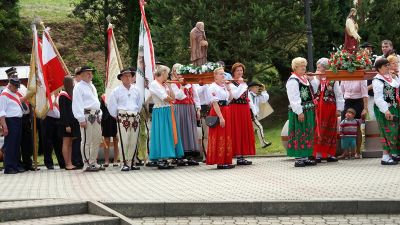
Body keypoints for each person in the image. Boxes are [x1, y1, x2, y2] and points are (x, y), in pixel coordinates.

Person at [148, 65, 184, 169]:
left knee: (170, 133)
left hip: (167, 110)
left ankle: (169, 157)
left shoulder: (164, 85)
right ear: (162, 73)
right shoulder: (154, 84)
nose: (167, 76)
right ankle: (161, 158)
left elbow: (173, 97)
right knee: (162, 133)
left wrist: (169, 87)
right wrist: (170, 97)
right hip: (160, 110)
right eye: (167, 74)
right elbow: (164, 98)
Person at [107, 68, 143, 171]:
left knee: (134, 140)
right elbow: (111, 105)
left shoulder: (136, 89)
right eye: (125, 76)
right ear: (121, 78)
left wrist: (136, 113)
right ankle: (123, 163)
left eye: (129, 76)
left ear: (132, 77)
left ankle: (131, 162)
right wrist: (116, 116)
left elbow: (139, 104)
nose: (128, 78)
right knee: (124, 140)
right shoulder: (116, 91)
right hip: (123, 117)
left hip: (134, 116)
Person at [286, 57, 318, 167]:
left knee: (307, 132)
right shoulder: (293, 80)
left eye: (304, 66)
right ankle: (298, 157)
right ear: (295, 68)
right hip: (300, 110)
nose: (304, 68)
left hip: (308, 109)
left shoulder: (304, 78)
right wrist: (299, 112)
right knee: (299, 132)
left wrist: (312, 79)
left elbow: (314, 89)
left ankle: (305, 156)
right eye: (301, 66)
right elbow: (293, 97)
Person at [72, 65, 104, 172]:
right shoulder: (78, 87)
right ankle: (86, 163)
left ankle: (93, 161)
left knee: (96, 139)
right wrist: (81, 119)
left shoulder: (92, 86)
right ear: (81, 75)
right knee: (86, 140)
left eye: (91, 73)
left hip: (96, 115)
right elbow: (77, 104)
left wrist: (100, 113)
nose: (90, 75)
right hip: (86, 115)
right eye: (87, 73)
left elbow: (96, 102)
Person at [313, 58, 344, 162]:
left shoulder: (333, 79)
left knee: (330, 130)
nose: (317, 69)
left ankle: (329, 153)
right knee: (319, 130)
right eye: (317, 67)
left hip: (330, 107)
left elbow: (338, 94)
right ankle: (317, 154)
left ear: (325, 68)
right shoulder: (315, 79)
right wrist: (315, 78)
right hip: (318, 108)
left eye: (319, 67)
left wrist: (339, 109)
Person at [170, 63, 201, 166]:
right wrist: (182, 86)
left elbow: (196, 97)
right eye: (176, 70)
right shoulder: (173, 83)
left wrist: (198, 109)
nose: (178, 72)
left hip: (190, 108)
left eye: (180, 70)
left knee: (190, 130)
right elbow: (179, 96)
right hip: (179, 108)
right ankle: (179, 156)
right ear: (173, 72)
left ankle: (190, 155)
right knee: (180, 130)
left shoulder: (190, 83)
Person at [372, 58, 400, 165]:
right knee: (386, 131)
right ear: (379, 69)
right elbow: (378, 98)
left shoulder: (389, 78)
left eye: (388, 65)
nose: (388, 67)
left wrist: (396, 76)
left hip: (393, 107)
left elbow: (396, 86)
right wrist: (386, 110)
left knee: (394, 131)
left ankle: (394, 153)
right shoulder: (377, 80)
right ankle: (385, 157)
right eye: (385, 66)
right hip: (383, 109)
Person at [206, 67, 234, 169]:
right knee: (219, 134)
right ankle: (220, 161)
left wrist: (228, 88)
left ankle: (226, 159)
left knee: (226, 134)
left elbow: (230, 98)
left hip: (226, 109)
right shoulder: (212, 87)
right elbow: (215, 103)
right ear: (215, 76)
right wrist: (221, 117)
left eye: (224, 74)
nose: (223, 76)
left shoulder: (223, 86)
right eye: (221, 74)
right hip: (218, 111)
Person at [229, 63, 256, 165]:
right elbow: (235, 96)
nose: (240, 72)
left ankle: (242, 156)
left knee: (244, 130)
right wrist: (241, 84)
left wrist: (253, 109)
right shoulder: (231, 84)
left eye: (241, 70)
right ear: (234, 72)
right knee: (237, 131)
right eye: (237, 71)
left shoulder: (243, 83)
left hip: (244, 109)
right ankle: (237, 155)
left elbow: (248, 98)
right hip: (235, 109)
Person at [0, 68, 23, 174]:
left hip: (18, 120)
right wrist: (4, 126)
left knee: (16, 144)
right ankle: (9, 167)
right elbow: (2, 112)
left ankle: (15, 165)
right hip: (10, 121)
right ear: (10, 85)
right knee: (10, 145)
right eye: (16, 87)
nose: (17, 89)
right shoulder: (4, 94)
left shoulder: (14, 93)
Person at [340, 78, 368, 159]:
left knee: (357, 127)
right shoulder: (344, 76)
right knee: (344, 126)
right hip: (347, 102)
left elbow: (365, 94)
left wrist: (365, 108)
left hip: (358, 102)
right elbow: (341, 92)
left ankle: (357, 151)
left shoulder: (361, 77)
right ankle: (345, 152)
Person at [59, 76, 80, 170]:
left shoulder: (70, 94)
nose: (74, 83)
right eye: (72, 82)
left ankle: (70, 162)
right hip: (66, 124)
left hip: (72, 123)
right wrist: (67, 125)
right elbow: (63, 112)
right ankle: (67, 164)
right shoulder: (63, 95)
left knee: (70, 143)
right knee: (66, 143)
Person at [43, 93, 65, 169]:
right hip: (48, 119)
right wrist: (54, 98)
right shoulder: (47, 94)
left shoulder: (61, 94)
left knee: (59, 142)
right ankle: (49, 163)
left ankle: (62, 162)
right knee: (48, 142)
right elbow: (46, 106)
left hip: (59, 120)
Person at [248, 82, 271, 148]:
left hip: (253, 115)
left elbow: (264, 99)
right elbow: (251, 106)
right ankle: (263, 143)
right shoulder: (249, 95)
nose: (258, 88)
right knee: (259, 127)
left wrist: (264, 91)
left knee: (251, 131)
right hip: (251, 115)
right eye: (256, 87)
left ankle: (249, 145)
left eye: (258, 87)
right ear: (251, 88)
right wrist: (254, 114)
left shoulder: (256, 96)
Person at [100, 94, 119, 167]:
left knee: (115, 140)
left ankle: (115, 160)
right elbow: (101, 110)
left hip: (115, 119)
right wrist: (101, 124)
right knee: (106, 140)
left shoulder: (116, 94)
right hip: (106, 120)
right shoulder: (103, 97)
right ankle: (106, 160)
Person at [71, 67, 83, 169]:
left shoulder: (84, 86)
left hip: (84, 117)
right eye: (79, 74)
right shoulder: (73, 86)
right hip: (75, 118)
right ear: (76, 76)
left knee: (82, 139)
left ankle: (81, 159)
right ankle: (76, 160)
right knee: (77, 140)